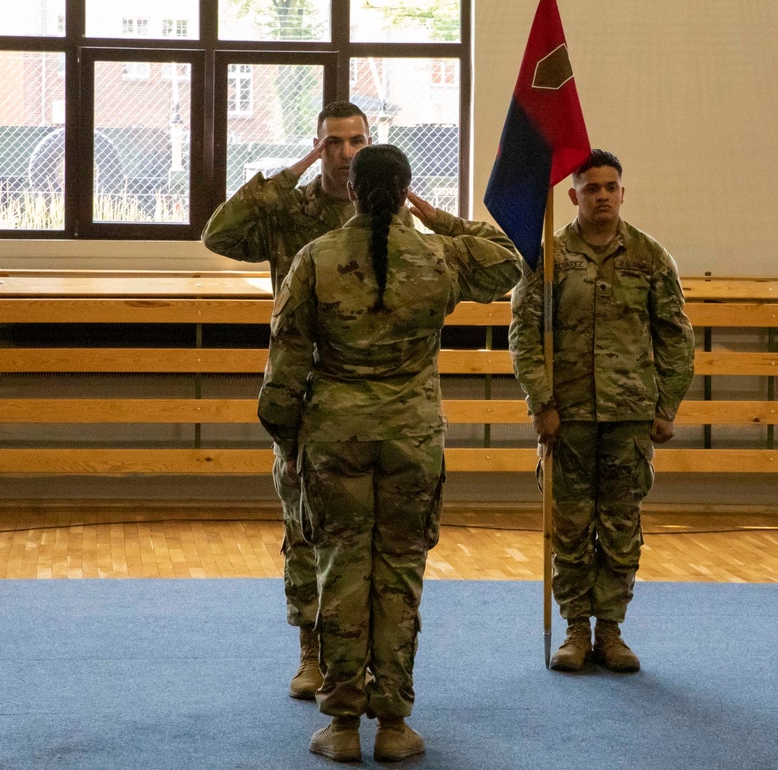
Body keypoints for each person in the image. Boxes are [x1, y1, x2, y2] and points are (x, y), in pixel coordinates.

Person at [258, 145, 520, 762]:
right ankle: (395, 725)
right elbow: (510, 261)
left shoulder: (316, 259)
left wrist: (288, 443)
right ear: (405, 193)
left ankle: (344, 726)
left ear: (351, 190)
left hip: (334, 438)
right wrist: (439, 218)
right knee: (400, 573)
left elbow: (283, 372)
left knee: (340, 570)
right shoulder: (439, 255)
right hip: (412, 438)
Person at [202, 101, 370, 700]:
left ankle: (362, 654)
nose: (346, 154)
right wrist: (289, 171)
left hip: (365, 394)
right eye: (334, 143)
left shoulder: (384, 217)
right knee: (302, 528)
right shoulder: (291, 213)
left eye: (356, 142)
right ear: (318, 146)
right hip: (301, 394)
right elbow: (218, 233)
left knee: (362, 537)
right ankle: (310, 653)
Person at [508, 149, 694, 673]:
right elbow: (523, 334)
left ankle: (610, 630)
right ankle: (573, 629)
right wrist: (541, 403)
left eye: (612, 187)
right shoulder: (546, 257)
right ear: (573, 195)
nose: (604, 196)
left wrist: (666, 406)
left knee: (619, 525)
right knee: (568, 526)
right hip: (566, 417)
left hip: (629, 416)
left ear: (623, 193)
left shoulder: (650, 257)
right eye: (592, 188)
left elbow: (676, 337)